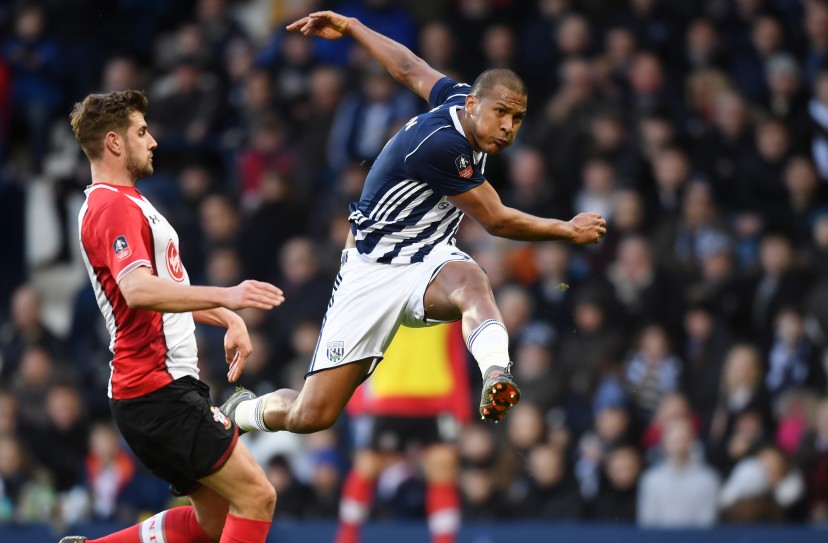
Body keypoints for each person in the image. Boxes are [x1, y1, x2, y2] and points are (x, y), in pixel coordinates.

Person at [220, 9, 606, 440]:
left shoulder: (459, 100)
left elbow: (409, 67)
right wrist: (568, 230)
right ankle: (241, 411)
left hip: (427, 257)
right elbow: (496, 220)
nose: (507, 127)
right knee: (312, 415)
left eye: (516, 119)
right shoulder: (442, 145)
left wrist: (352, 27)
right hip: (372, 270)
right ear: (475, 105)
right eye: (501, 113)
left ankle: (497, 372)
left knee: (472, 281)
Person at [53, 89, 292, 543]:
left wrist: (227, 316)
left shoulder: (128, 204)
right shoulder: (112, 207)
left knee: (216, 519)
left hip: (159, 389)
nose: (153, 139)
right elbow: (137, 292)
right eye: (141, 131)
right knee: (258, 495)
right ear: (114, 142)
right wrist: (229, 294)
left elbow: (162, 293)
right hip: (155, 389)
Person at [333, 322, 470, 543]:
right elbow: (359, 346)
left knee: (443, 468)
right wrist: (355, 396)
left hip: (437, 397)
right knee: (368, 467)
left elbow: (454, 353)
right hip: (388, 397)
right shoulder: (381, 294)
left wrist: (460, 407)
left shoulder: (448, 303)